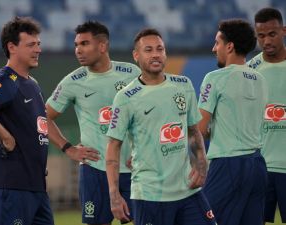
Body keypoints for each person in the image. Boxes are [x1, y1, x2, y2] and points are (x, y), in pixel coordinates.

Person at [106, 28, 216, 225]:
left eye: (160, 49)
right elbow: (113, 147)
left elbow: (193, 130)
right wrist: (114, 195)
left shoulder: (183, 85)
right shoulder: (125, 98)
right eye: (148, 50)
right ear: (136, 55)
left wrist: (202, 163)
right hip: (150, 195)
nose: (156, 54)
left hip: (188, 190)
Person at [46, 21, 141, 225]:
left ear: (102, 46)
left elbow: (148, 114)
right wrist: (68, 148)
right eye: (76, 44)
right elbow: (43, 117)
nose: (78, 50)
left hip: (134, 169)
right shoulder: (72, 81)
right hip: (95, 170)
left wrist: (143, 149)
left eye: (85, 43)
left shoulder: (132, 73)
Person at [198, 19, 268, 225]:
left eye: (217, 43)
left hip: (228, 165)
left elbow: (199, 129)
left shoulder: (215, 78)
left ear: (229, 46)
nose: (213, 48)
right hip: (257, 165)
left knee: (204, 220)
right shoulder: (260, 79)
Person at [0, 16, 54, 225]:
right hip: (12, 184)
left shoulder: (31, 83)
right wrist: (5, 136)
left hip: (35, 185)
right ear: (12, 47)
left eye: (39, 44)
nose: (38, 50)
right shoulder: (7, 79)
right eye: (31, 45)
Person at [248, 7, 286, 224]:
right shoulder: (250, 71)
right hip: (261, 166)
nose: (266, 41)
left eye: (272, 34)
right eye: (261, 36)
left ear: (284, 31)